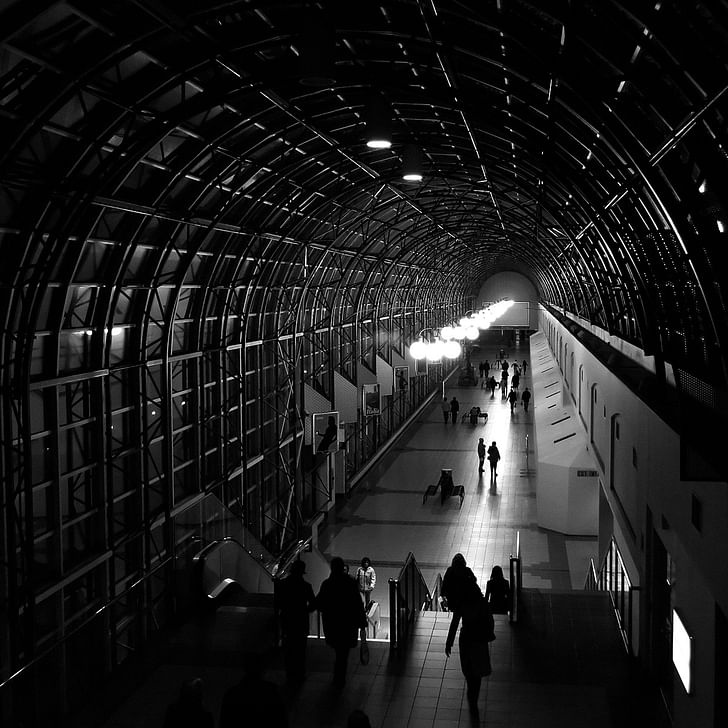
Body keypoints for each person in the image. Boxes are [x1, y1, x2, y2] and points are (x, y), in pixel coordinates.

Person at [316, 556, 368, 688]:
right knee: (343, 652)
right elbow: (357, 603)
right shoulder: (350, 583)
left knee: (339, 651)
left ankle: (338, 678)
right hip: (348, 624)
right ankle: (339, 678)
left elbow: (320, 603)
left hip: (332, 625)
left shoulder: (327, 584)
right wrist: (362, 623)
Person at [445, 580, 495, 716]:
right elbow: (490, 621)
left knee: (467, 668)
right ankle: (474, 697)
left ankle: (471, 691)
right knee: (477, 671)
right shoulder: (482, 602)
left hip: (466, 638)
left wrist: (449, 642)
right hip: (479, 639)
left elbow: (455, 622)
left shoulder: (463, 602)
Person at [220, 653, 287, 728]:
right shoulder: (273, 693)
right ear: (263, 669)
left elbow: (224, 723)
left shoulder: (232, 694)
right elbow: (281, 721)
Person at [275, 559, 316, 683]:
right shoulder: (306, 586)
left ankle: (290, 673)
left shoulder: (283, 585)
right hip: (301, 621)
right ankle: (299, 673)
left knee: (289, 649)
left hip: (287, 620)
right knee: (300, 650)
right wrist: (304, 610)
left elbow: (277, 603)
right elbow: (313, 604)